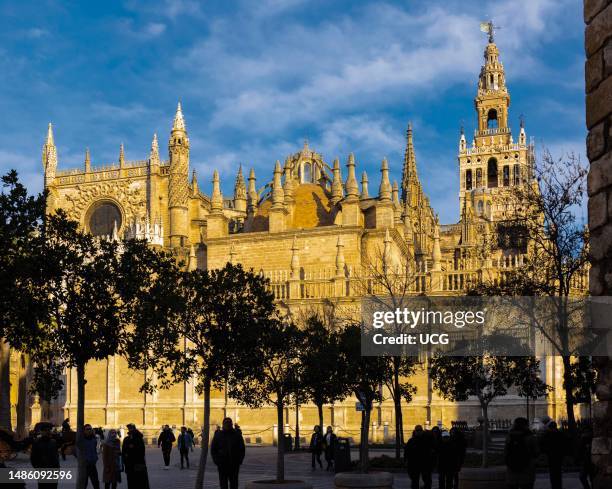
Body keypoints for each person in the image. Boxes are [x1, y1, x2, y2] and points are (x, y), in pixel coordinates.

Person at [211, 417, 246, 489]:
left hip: (234, 464)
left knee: (234, 484)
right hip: (222, 464)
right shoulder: (218, 435)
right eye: (226, 423)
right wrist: (216, 461)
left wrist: (239, 460)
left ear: (231, 424)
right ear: (223, 425)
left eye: (229, 423)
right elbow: (213, 449)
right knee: (223, 484)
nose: (227, 425)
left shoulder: (237, 435)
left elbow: (242, 448)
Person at [504, 417, 539, 489]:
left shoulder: (509, 436)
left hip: (512, 468)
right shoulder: (530, 437)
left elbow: (505, 452)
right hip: (527, 468)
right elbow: (536, 452)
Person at [30, 423, 60, 489]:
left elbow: (56, 456)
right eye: (45, 430)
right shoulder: (36, 442)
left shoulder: (53, 442)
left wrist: (57, 469)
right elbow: (33, 458)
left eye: (48, 430)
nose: (47, 432)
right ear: (41, 432)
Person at [121, 423, 150, 489]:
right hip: (129, 464)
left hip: (138, 463)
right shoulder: (126, 439)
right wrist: (124, 459)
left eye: (131, 428)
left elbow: (142, 451)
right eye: (129, 428)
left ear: (134, 429)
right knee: (131, 480)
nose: (130, 430)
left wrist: (133, 447)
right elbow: (123, 451)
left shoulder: (139, 438)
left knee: (140, 480)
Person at [540, 421, 567, 489]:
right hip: (558, 457)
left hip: (551, 456)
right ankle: (558, 486)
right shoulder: (560, 434)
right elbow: (564, 446)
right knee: (558, 473)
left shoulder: (547, 435)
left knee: (553, 474)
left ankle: (554, 486)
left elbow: (542, 445)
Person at [77, 424, 100, 489]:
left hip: (92, 464)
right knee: (84, 483)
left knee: (96, 483)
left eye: (90, 429)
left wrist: (95, 458)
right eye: (87, 429)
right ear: (84, 431)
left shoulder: (94, 440)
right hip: (85, 466)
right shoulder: (82, 440)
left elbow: (94, 450)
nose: (89, 430)